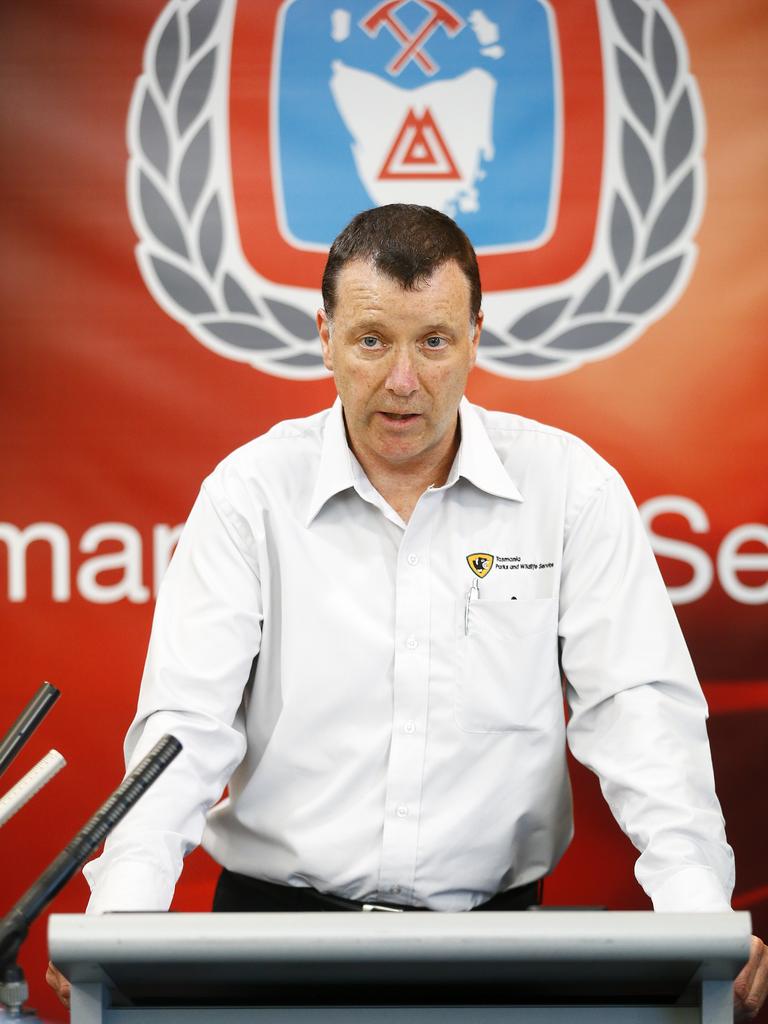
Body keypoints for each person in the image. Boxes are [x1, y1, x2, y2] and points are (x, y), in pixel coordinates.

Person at [47, 205, 767, 1017]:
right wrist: (122, 918)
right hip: (269, 948)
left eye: (432, 341)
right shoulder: (249, 496)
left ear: (474, 338)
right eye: (371, 340)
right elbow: (184, 730)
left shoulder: (570, 490)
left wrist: (700, 915)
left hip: (499, 955)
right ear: (325, 337)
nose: (402, 381)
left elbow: (639, 715)